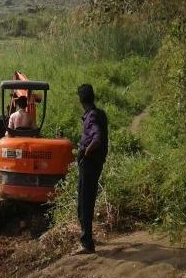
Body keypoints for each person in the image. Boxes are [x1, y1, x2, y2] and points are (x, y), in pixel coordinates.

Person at [74, 84, 108, 255]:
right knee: (87, 201)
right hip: (95, 164)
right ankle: (88, 238)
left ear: (81, 100)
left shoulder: (92, 117)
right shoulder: (99, 113)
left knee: (84, 203)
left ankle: (87, 243)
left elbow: (97, 138)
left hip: (88, 165)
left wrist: (86, 152)